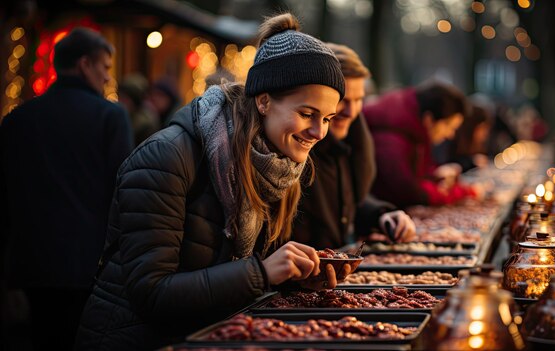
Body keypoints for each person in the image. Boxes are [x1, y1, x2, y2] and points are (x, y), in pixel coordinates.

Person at [74, 13, 346, 350]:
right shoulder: (166, 158)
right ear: (263, 100)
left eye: (328, 118)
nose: (319, 132)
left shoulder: (276, 163)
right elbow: (150, 294)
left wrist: (295, 278)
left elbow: (231, 275)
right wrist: (262, 272)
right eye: (307, 114)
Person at [0, 28, 133, 350]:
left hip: (35, 263)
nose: (106, 78)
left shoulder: (19, 119)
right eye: (104, 67)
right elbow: (124, 190)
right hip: (92, 262)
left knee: (45, 338)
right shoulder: (110, 116)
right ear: (85, 64)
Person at [292, 43, 415, 249]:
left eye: (358, 100)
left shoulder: (350, 141)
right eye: (343, 100)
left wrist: (380, 214)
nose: (351, 111)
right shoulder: (296, 148)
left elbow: (347, 203)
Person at [363, 80, 475, 207]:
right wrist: (460, 193)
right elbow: (407, 191)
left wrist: (434, 175)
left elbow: (415, 174)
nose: (450, 134)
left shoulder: (414, 131)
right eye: (448, 126)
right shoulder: (392, 136)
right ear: (429, 119)